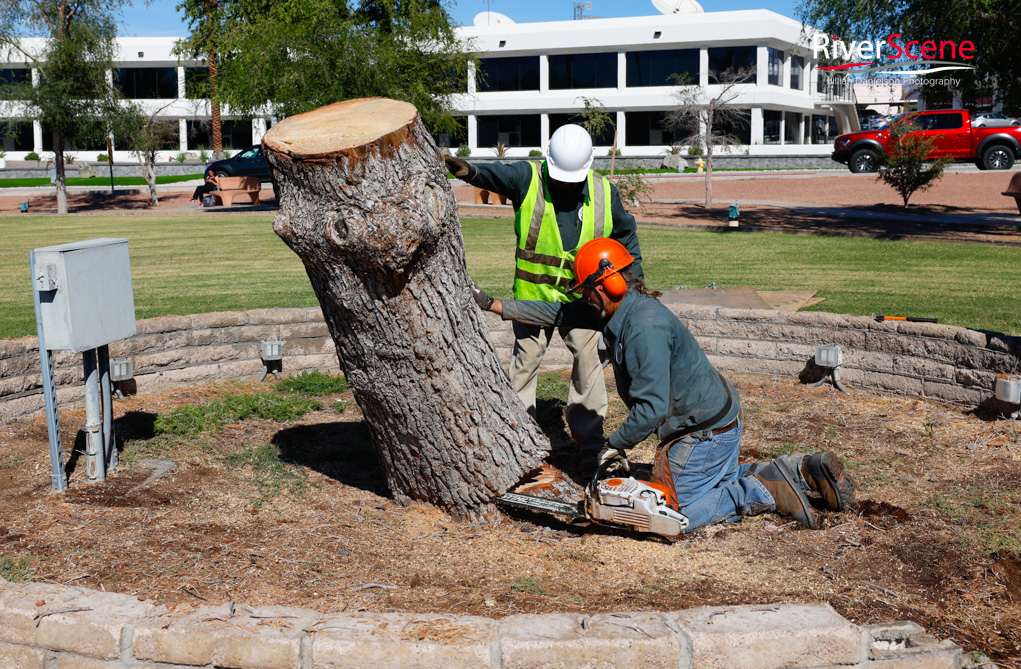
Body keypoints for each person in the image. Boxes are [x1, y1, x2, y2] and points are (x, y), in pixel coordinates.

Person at [470, 238, 856, 532]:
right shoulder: (622, 308)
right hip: (715, 425)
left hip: (702, 435)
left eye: (587, 290)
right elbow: (557, 312)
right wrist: (493, 305)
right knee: (705, 484)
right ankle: (794, 468)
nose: (584, 298)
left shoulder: (643, 329)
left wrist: (613, 445)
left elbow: (651, 409)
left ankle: (762, 492)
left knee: (669, 514)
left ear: (605, 287)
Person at [444, 125, 644, 469]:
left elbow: (626, 236)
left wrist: (636, 282)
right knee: (525, 364)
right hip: (532, 298)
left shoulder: (604, 192)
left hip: (584, 301)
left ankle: (591, 443)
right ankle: (518, 440)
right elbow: (497, 175)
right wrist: (470, 171)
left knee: (589, 362)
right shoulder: (528, 178)